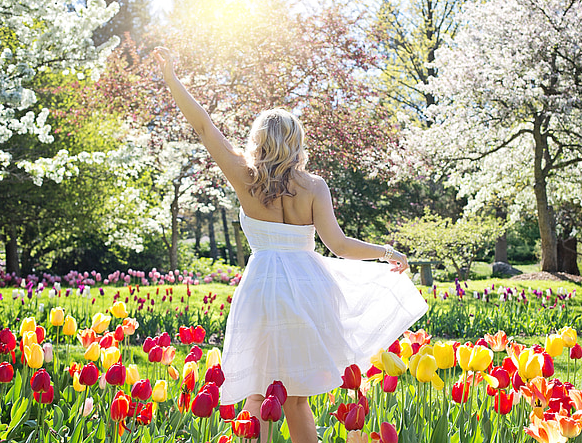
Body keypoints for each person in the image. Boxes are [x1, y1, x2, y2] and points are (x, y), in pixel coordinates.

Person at [153, 47, 427, 442]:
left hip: (264, 287)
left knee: (258, 395)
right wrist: (387, 252)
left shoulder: (245, 177)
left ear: (258, 140)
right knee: (297, 400)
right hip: (309, 289)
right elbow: (340, 245)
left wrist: (172, 79)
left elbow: (204, 127)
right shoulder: (314, 186)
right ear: (296, 142)